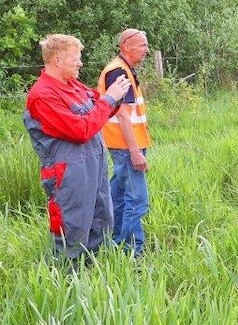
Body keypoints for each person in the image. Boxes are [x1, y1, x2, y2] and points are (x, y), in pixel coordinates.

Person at [24, 34, 132, 264]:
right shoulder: (42, 95)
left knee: (100, 224)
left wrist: (115, 97)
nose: (80, 63)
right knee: (72, 233)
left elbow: (100, 110)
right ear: (57, 60)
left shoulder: (73, 86)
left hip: (94, 166)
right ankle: (67, 282)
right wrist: (109, 99)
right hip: (68, 175)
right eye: (75, 58)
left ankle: (94, 280)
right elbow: (81, 129)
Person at [97, 28, 152, 256]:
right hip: (125, 146)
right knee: (137, 200)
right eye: (143, 45)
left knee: (118, 196)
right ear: (126, 47)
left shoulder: (123, 68)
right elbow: (122, 115)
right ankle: (131, 252)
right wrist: (135, 151)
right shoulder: (119, 71)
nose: (147, 50)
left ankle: (114, 243)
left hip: (123, 144)